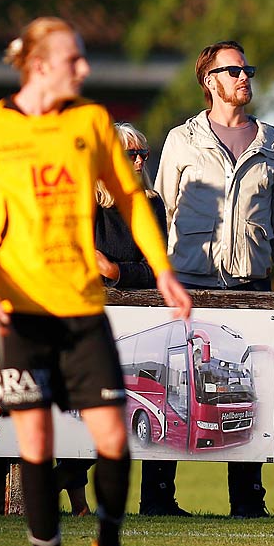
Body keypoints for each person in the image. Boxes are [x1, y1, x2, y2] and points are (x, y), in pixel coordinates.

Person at [0, 17, 191, 546]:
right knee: (35, 441)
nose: (84, 70)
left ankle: (107, 543)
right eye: (74, 60)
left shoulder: (91, 122)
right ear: (39, 65)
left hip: (81, 307)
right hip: (18, 311)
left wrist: (161, 270)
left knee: (113, 436)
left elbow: (132, 198)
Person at [154, 40, 274, 518]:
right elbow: (161, 210)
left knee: (244, 392)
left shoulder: (272, 141)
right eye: (233, 70)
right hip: (189, 282)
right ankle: (158, 497)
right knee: (172, 387)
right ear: (209, 80)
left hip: (251, 286)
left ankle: (247, 500)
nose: (244, 77)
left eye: (247, 69)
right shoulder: (181, 139)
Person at [95, 121, 179, 516]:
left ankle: (157, 500)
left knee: (154, 406)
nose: (141, 159)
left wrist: (115, 271)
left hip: (140, 320)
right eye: (132, 153)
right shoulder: (85, 202)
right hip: (92, 318)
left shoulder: (152, 203)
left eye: (143, 152)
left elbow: (156, 268)